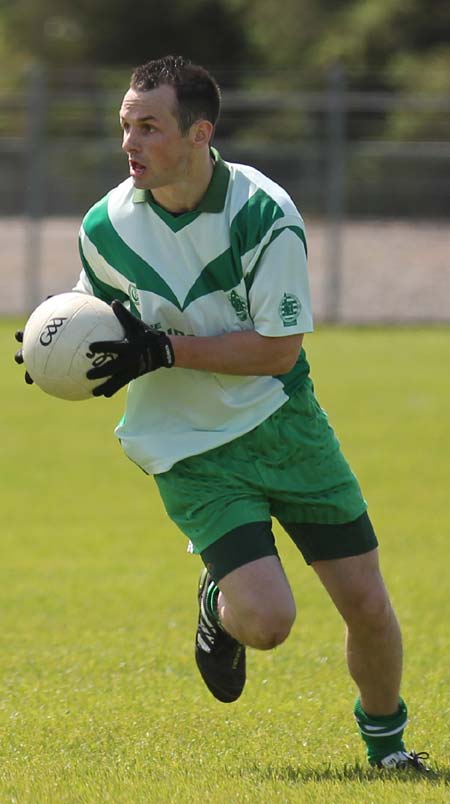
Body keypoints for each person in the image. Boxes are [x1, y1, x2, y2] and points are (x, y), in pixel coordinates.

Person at [15, 55, 430, 772]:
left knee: (364, 600)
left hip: (283, 421)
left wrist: (165, 352)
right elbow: (98, 313)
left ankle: (388, 752)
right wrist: (54, 343)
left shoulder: (264, 215)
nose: (130, 142)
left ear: (200, 132)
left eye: (149, 126)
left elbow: (276, 351)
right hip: (186, 446)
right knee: (269, 625)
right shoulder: (106, 225)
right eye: (125, 125)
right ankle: (219, 603)